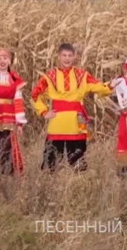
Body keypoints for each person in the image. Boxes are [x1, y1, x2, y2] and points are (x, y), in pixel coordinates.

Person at [31, 43, 112, 172]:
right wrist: (43, 111)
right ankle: (50, 185)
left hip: (77, 120)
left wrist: (112, 85)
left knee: (78, 159)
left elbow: (99, 87)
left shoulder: (82, 75)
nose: (67, 58)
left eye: (70, 55)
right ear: (58, 57)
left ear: (74, 57)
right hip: (57, 121)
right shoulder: (50, 76)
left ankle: (77, 185)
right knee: (51, 160)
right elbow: (35, 94)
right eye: (64, 55)